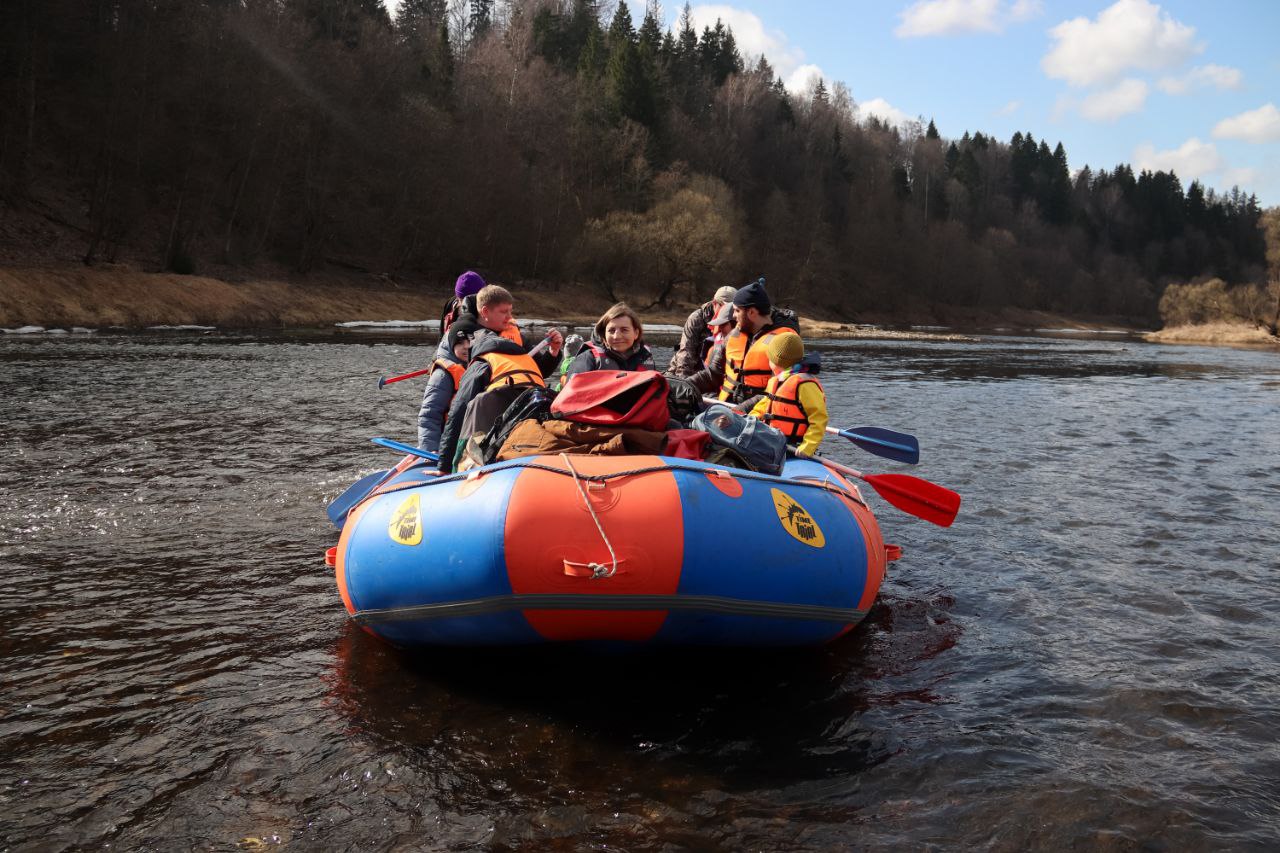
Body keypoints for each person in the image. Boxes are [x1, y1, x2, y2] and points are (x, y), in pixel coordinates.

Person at [436, 286, 563, 473]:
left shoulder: (512, 335)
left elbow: (535, 372)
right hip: (474, 408)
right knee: (474, 405)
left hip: (510, 408)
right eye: (504, 312)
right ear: (485, 312)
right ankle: (456, 457)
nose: (510, 317)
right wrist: (444, 463)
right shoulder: (467, 334)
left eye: (511, 312)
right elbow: (459, 408)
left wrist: (553, 352)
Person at [717, 278, 801, 406]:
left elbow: (777, 389)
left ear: (751, 312)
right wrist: (684, 385)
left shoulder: (784, 342)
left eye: (737, 310)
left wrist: (740, 410)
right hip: (728, 407)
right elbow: (712, 373)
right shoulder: (736, 333)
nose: (733, 315)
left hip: (757, 417)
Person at [749, 334, 827, 457]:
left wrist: (807, 447)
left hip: (793, 447)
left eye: (769, 359)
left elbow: (819, 419)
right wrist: (748, 421)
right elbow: (762, 407)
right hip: (770, 441)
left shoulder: (805, 384)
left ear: (776, 360)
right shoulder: (776, 381)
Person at [416, 325, 471, 453]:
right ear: (451, 345)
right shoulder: (442, 376)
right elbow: (429, 415)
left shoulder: (478, 368)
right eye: (460, 343)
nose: (466, 346)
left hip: (466, 438)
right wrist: (430, 449)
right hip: (445, 443)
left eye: (469, 341)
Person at [564, 302, 655, 378]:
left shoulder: (646, 357)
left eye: (624, 330)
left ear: (636, 333)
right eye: (611, 330)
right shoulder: (588, 358)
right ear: (604, 334)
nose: (616, 336)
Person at [667, 285, 737, 376]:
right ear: (715, 303)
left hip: (717, 372)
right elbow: (686, 352)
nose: (728, 311)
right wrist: (684, 380)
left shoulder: (736, 318)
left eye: (732, 308)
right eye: (724, 307)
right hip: (689, 370)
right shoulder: (697, 318)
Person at [440, 271, 485, 337]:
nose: (465, 305)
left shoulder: (486, 312)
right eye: (461, 300)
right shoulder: (451, 304)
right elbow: (441, 335)